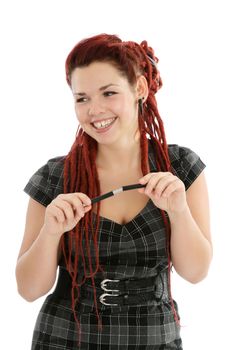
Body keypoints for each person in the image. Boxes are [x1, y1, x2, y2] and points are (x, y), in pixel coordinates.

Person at [15, 33, 212, 349]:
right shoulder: (54, 177)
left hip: (154, 338)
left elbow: (196, 272)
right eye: (82, 98)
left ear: (139, 89)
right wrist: (50, 233)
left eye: (108, 93)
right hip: (66, 338)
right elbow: (28, 289)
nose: (94, 110)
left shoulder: (180, 167)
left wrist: (179, 211)